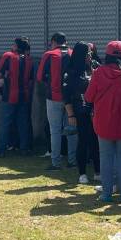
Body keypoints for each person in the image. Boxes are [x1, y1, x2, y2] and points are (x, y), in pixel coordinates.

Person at [85, 41, 121, 202]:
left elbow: (89, 97)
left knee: (106, 157)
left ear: (108, 55)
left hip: (104, 121)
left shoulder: (99, 73)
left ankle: (106, 194)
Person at [38, 32, 76, 170]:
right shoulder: (73, 53)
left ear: (54, 41)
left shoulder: (49, 54)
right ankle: (72, 161)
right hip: (71, 99)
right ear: (66, 41)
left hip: (54, 97)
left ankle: (56, 162)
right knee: (71, 130)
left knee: (55, 131)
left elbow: (40, 76)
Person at [63, 42, 100, 183]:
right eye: (88, 53)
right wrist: (70, 114)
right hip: (80, 110)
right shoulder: (71, 71)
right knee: (83, 141)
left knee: (95, 141)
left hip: (95, 111)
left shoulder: (94, 66)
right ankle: (82, 173)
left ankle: (97, 171)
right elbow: (66, 96)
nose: (90, 55)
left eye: (91, 53)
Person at [0, 37, 35, 157]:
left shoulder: (8, 56)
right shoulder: (29, 60)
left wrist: (6, 76)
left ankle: (1, 150)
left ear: (16, 46)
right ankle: (24, 148)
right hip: (24, 95)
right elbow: (31, 79)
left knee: (5, 123)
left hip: (9, 95)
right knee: (23, 123)